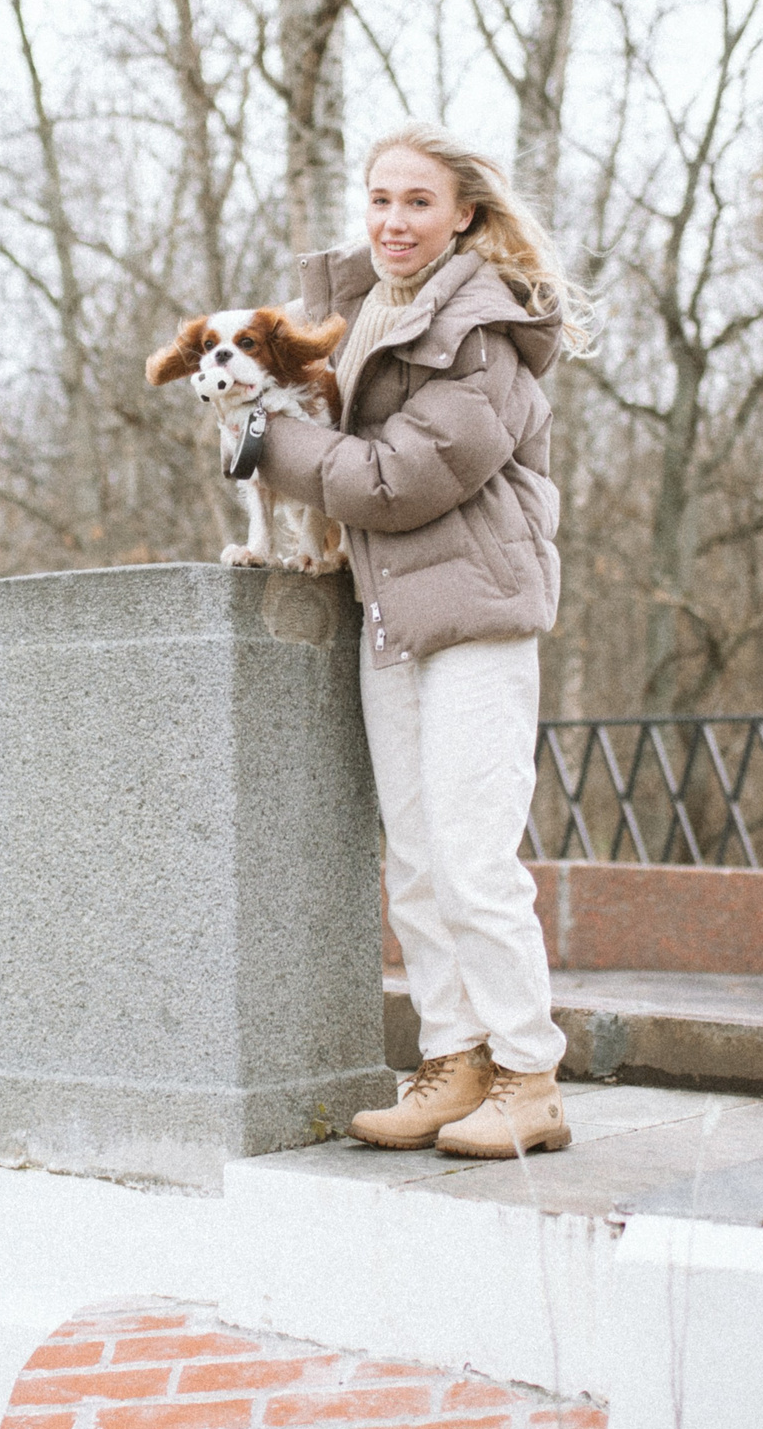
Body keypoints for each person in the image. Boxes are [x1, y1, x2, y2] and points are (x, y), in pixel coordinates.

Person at [247, 120, 590, 1158]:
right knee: (417, 856)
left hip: (476, 615)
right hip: (391, 614)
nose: (392, 221)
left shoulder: (482, 332)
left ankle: (529, 1075)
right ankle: (455, 1060)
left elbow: (397, 481)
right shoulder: (359, 316)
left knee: (475, 855)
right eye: (379, 199)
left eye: (416, 202)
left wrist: (265, 441)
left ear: (464, 214)